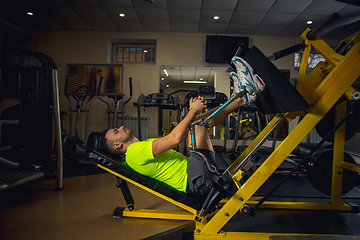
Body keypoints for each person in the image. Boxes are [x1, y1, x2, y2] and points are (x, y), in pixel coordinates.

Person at [99, 56, 265, 200]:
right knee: (198, 124)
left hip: (196, 177)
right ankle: (244, 93)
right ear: (117, 145)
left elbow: (176, 135)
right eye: (116, 131)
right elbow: (175, 139)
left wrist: (191, 116)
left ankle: (242, 97)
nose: (120, 127)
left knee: (197, 122)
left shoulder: (137, 149)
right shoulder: (134, 152)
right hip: (197, 182)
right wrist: (193, 111)